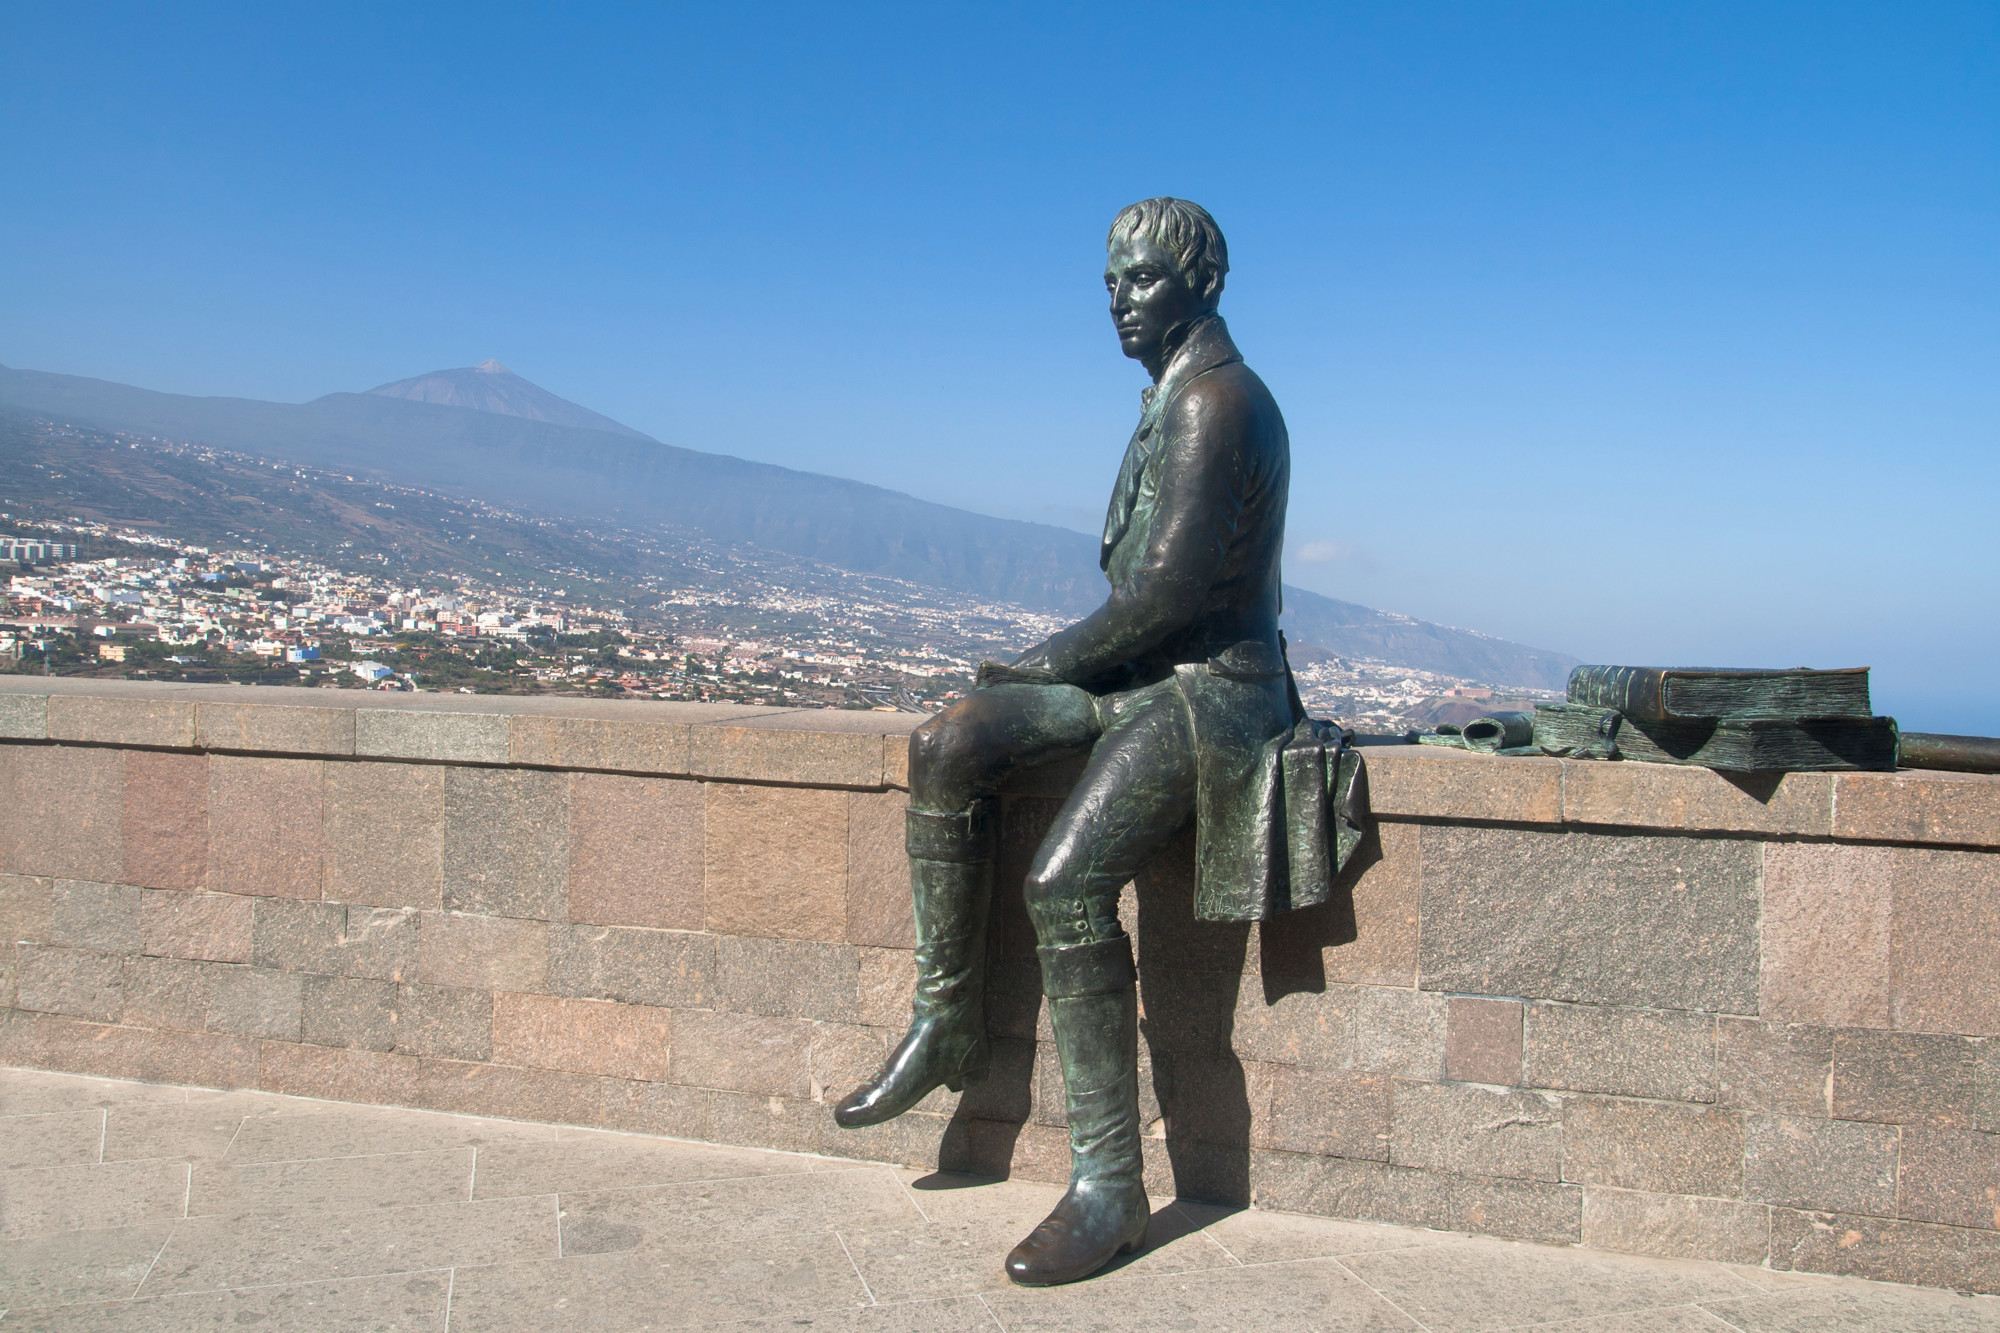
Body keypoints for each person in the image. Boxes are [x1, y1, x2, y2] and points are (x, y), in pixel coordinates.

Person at [834, 197, 1297, 1286]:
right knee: (947, 741)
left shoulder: (1217, 403)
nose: (1117, 301)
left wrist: (1038, 664)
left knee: (1061, 883)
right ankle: (945, 1019)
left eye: (1139, 279)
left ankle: (1109, 1182)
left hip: (1207, 693)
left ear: (1203, 283)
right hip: (1135, 685)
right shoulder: (1167, 398)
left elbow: (1170, 597)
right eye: (1108, 283)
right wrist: (1016, 684)